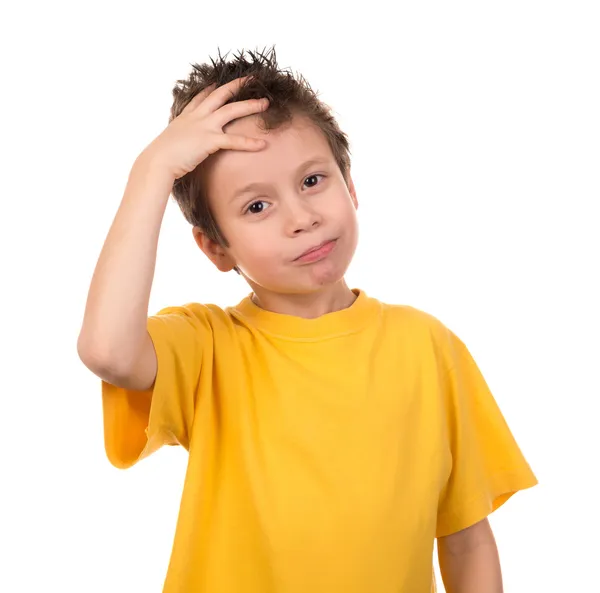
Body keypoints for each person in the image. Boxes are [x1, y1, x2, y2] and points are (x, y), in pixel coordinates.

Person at [77, 46, 538, 593]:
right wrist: (151, 170)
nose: (302, 218)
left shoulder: (428, 346)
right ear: (215, 249)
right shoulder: (207, 347)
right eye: (256, 206)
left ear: (350, 184)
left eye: (313, 181)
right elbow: (107, 350)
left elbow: (465, 537)